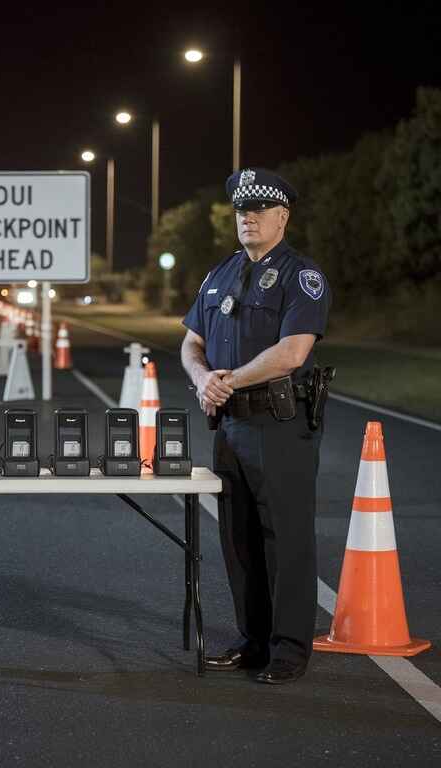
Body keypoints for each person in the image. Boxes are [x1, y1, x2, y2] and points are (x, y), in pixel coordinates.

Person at [180, 167, 332, 685]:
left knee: (284, 539)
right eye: (242, 210)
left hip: (279, 423)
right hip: (230, 426)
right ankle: (253, 641)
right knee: (238, 538)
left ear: (282, 217)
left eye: (259, 210)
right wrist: (204, 380)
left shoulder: (301, 276)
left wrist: (229, 382)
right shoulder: (219, 273)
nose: (248, 217)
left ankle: (288, 650)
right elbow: (190, 343)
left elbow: (293, 352)